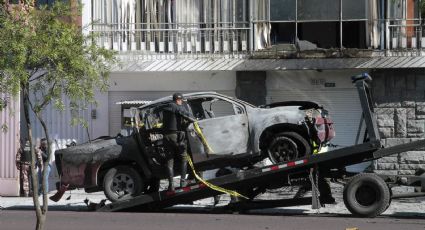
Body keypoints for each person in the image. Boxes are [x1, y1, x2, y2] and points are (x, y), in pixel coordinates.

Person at [161, 93, 195, 191]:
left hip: (166, 137)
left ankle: (171, 185)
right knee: (184, 158)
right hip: (176, 136)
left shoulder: (166, 108)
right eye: (181, 101)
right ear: (178, 100)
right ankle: (183, 182)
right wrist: (194, 120)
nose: (181, 103)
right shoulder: (177, 107)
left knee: (169, 161)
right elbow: (186, 115)